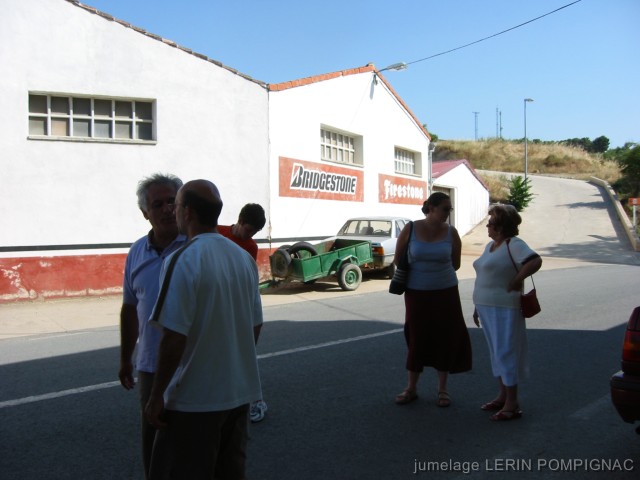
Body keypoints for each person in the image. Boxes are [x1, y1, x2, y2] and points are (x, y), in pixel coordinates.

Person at [145, 179, 263, 480]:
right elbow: (255, 325)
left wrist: (156, 396)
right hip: (238, 396)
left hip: (195, 402)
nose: (172, 211)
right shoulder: (243, 259)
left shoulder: (182, 259)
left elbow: (173, 337)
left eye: (176, 205)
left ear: (188, 212)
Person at [118, 173, 186, 480]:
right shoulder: (137, 252)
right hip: (150, 366)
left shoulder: (195, 247)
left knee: (194, 446)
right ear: (145, 212)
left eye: (172, 201)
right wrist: (125, 358)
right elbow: (130, 308)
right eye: (157, 204)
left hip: (192, 363)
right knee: (154, 444)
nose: (167, 209)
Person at [394, 192, 472, 407]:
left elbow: (455, 264)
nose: (448, 213)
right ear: (431, 208)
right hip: (416, 292)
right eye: (445, 209)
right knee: (417, 336)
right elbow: (398, 259)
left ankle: (442, 389)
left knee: (444, 336)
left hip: (446, 291)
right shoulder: (410, 228)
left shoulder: (451, 232)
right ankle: (411, 388)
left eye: (450, 209)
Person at [472, 204, 542, 421]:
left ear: (501, 226)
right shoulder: (490, 246)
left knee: (506, 351)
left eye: (491, 222)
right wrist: (476, 307)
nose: (487, 226)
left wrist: (517, 279)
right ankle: (502, 396)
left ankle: (512, 403)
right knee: (496, 352)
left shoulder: (514, 244)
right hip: (486, 306)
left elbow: (535, 260)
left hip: (504, 307)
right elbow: (484, 276)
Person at [218, 203, 268, 423]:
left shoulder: (251, 247)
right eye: (249, 230)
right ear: (239, 221)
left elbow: (246, 279)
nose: (250, 236)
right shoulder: (218, 233)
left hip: (239, 305)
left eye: (254, 233)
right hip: (219, 304)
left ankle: (256, 401)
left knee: (245, 355)